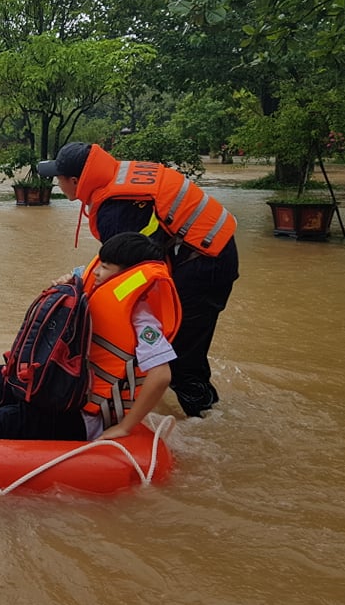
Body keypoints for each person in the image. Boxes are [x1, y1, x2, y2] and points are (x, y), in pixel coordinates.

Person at [37, 142, 239, 417]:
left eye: (58, 178)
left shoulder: (115, 208)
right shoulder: (116, 179)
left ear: (75, 180)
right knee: (181, 346)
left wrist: (78, 279)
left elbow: (124, 265)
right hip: (208, 251)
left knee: (179, 357)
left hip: (204, 261)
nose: (57, 183)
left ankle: (205, 426)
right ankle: (200, 409)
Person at [0, 232, 181, 441]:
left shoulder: (143, 319)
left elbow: (161, 376)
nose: (96, 271)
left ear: (129, 273)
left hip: (87, 417)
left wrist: (124, 427)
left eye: (106, 266)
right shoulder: (93, 286)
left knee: (10, 420)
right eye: (100, 263)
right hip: (66, 392)